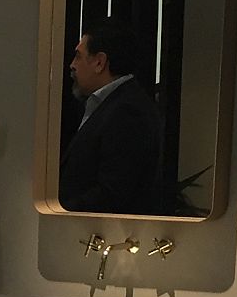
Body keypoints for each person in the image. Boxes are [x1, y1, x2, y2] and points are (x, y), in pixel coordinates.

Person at [58, 21, 167, 214]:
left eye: (78, 56)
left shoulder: (128, 111)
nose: (72, 65)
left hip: (102, 232)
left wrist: (59, 211)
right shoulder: (112, 104)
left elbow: (114, 191)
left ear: (100, 62)